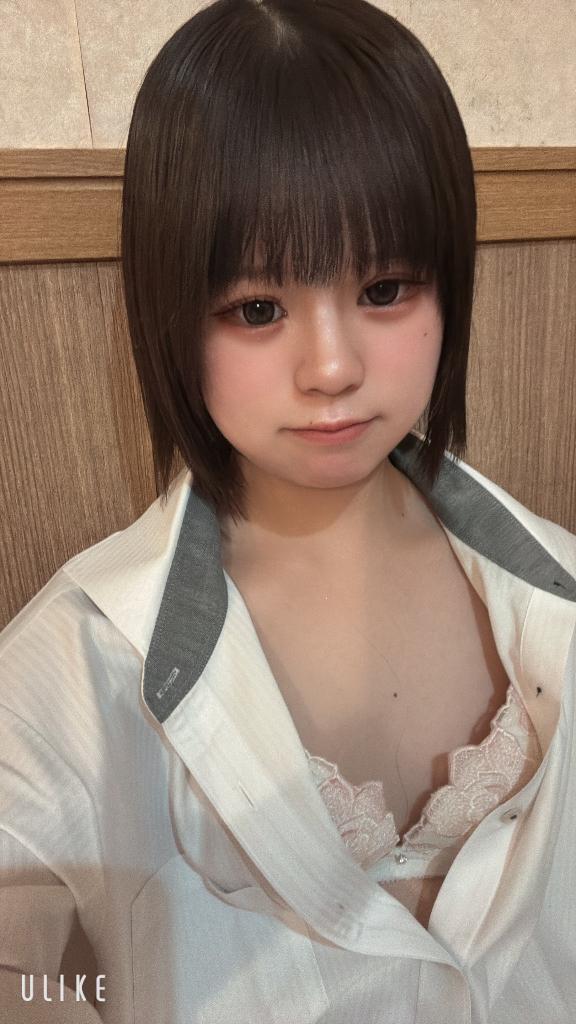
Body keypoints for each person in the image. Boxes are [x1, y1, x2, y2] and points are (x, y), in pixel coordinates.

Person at [1, 0, 575, 1021]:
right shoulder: (72, 667)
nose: (332, 368)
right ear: (171, 311)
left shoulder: (555, 582)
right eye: (258, 308)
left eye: (386, 288)